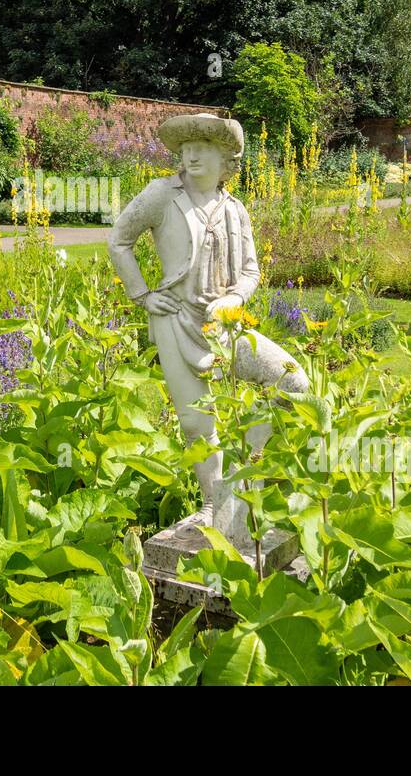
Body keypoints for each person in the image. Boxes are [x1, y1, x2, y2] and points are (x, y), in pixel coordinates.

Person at [108, 114, 310, 528]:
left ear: (225, 159)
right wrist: (143, 295)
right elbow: (119, 240)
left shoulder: (235, 209)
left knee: (293, 381)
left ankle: (241, 470)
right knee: (197, 424)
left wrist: (234, 299)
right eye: (186, 148)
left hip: (226, 327)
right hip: (177, 321)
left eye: (203, 148)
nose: (192, 155)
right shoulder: (162, 194)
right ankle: (211, 507)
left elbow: (251, 270)